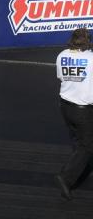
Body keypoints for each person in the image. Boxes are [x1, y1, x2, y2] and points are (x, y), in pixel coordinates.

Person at [54, 27, 93, 201]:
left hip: (65, 106)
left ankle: (80, 167)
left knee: (78, 141)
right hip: (82, 109)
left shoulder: (62, 55)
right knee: (88, 145)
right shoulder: (90, 58)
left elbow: (61, 78)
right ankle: (66, 177)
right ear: (87, 41)